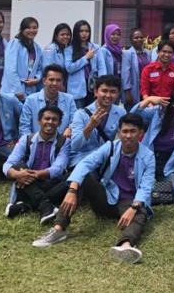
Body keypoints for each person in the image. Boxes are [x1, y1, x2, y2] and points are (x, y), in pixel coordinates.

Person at [33, 113, 154, 265]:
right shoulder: (111, 146)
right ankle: (59, 229)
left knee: (141, 210)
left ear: (141, 133)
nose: (128, 136)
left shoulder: (148, 156)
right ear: (119, 132)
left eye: (133, 131)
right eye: (125, 131)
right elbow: (85, 163)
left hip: (129, 202)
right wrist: (72, 190)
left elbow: (146, 185)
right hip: (106, 197)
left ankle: (125, 245)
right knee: (84, 177)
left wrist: (134, 207)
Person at [3, 104, 71, 223]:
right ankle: (45, 206)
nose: (50, 122)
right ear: (39, 121)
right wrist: (16, 174)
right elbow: (8, 163)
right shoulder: (26, 139)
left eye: (54, 119)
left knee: (70, 179)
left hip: (49, 182)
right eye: (47, 118)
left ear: (60, 123)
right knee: (18, 167)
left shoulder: (65, 142)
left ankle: (25, 206)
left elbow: (58, 168)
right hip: (28, 182)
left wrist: (34, 174)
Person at [69, 75, 126, 167]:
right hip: (83, 159)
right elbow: (75, 145)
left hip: (107, 159)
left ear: (118, 94)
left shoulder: (121, 112)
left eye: (113, 92)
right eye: (104, 91)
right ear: (96, 92)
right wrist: (90, 126)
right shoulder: (80, 114)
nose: (108, 95)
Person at [19, 64, 75, 139]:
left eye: (58, 80)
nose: (55, 83)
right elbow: (24, 128)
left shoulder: (69, 99)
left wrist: (70, 129)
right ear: (44, 81)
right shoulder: (30, 100)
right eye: (51, 80)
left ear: (62, 82)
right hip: (36, 142)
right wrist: (32, 143)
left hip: (62, 142)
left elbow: (75, 122)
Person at [1, 17, 43, 100]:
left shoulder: (37, 47)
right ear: (22, 29)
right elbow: (10, 69)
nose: (32, 30)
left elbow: (40, 68)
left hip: (30, 90)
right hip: (13, 91)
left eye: (34, 28)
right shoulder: (15, 44)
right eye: (28, 28)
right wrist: (17, 90)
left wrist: (36, 79)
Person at [66, 19, 98, 108]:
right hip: (77, 89)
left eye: (87, 31)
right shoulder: (69, 49)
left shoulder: (95, 47)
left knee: (92, 113)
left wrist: (101, 85)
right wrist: (86, 58)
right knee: (78, 114)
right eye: (81, 31)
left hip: (93, 87)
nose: (84, 34)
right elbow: (69, 68)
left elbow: (101, 68)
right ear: (76, 32)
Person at [121, 28, 151, 106]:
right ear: (131, 40)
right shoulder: (127, 53)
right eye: (136, 38)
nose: (139, 39)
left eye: (141, 37)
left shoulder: (148, 53)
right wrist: (127, 92)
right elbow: (125, 74)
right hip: (133, 90)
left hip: (146, 89)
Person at [95, 24, 124, 96]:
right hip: (108, 86)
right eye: (113, 34)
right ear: (107, 35)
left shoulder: (120, 51)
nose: (115, 37)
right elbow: (101, 70)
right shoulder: (103, 50)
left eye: (118, 34)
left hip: (117, 85)